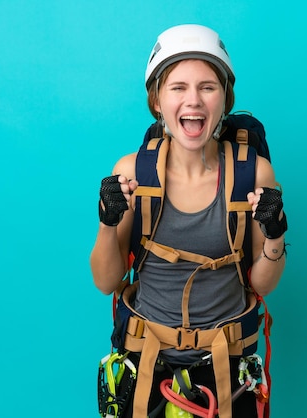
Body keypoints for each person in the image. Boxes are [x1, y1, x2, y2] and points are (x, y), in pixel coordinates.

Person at [90, 24, 287, 418]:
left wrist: (275, 235)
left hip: (228, 371)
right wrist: (108, 223)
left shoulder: (254, 174)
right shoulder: (133, 173)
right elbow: (105, 282)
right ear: (157, 101)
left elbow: (261, 283)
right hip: (146, 364)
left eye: (207, 87)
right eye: (178, 87)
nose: (193, 100)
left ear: (224, 99)